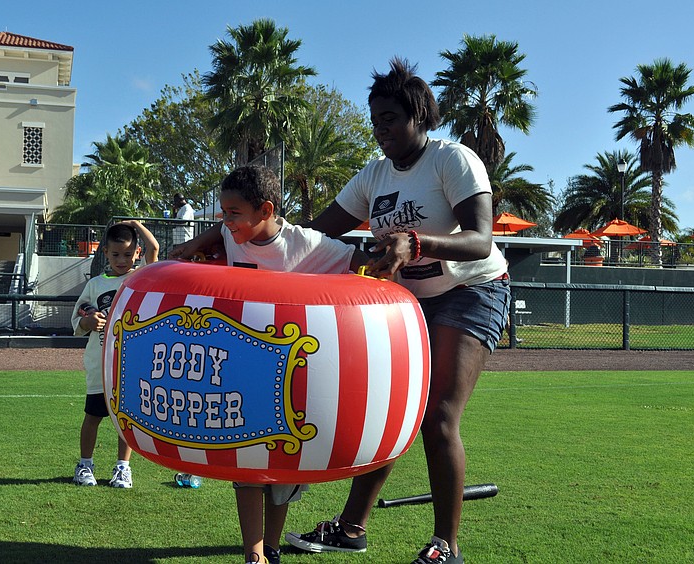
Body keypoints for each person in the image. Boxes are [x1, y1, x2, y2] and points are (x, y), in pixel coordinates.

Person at [173, 58, 510, 564]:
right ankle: (352, 528)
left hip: (471, 290)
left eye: (390, 119)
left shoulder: (452, 160)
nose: (381, 131)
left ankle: (446, 546)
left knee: (437, 418)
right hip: (406, 299)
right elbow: (310, 233)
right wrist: (228, 235)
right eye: (375, 120)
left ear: (419, 115)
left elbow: (481, 240)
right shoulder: (373, 175)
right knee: (393, 415)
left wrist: (412, 241)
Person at [215, 165, 367, 564]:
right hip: (241, 369)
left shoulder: (308, 244)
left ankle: (273, 545)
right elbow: (222, 235)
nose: (224, 221)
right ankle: (253, 552)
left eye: (232, 213)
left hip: (293, 375)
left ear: (265, 210)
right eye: (222, 212)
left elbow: (358, 262)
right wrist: (200, 240)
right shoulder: (232, 235)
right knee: (245, 463)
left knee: (282, 468)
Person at [71, 220, 159, 488]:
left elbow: (154, 248)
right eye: (116, 254)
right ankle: (85, 465)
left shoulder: (141, 278)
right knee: (93, 416)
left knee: (125, 420)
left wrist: (136, 224)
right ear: (105, 253)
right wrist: (87, 322)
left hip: (130, 364)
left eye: (128, 254)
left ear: (137, 254)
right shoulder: (95, 284)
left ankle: (123, 468)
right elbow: (79, 316)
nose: (122, 260)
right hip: (101, 364)